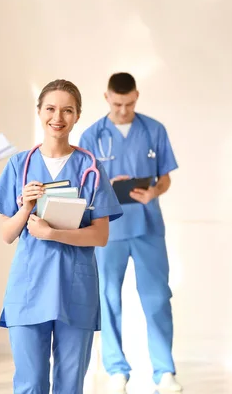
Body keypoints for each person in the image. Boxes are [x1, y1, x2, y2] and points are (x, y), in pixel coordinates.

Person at [0, 79, 123, 394]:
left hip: (75, 290)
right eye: (50, 108)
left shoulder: (91, 168)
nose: (57, 117)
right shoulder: (20, 165)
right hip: (29, 288)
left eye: (67, 110)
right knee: (30, 384)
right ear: (39, 112)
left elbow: (100, 235)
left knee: (69, 385)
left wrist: (52, 233)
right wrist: (26, 208)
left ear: (77, 116)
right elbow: (7, 234)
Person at [78, 72, 182, 392]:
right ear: (107, 97)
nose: (124, 110)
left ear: (137, 96)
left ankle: (164, 371)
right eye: (118, 103)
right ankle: (116, 370)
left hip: (148, 225)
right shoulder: (91, 136)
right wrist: (105, 187)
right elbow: (82, 185)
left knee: (157, 298)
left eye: (130, 103)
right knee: (108, 297)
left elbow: (165, 177)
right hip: (108, 228)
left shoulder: (154, 130)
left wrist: (153, 192)